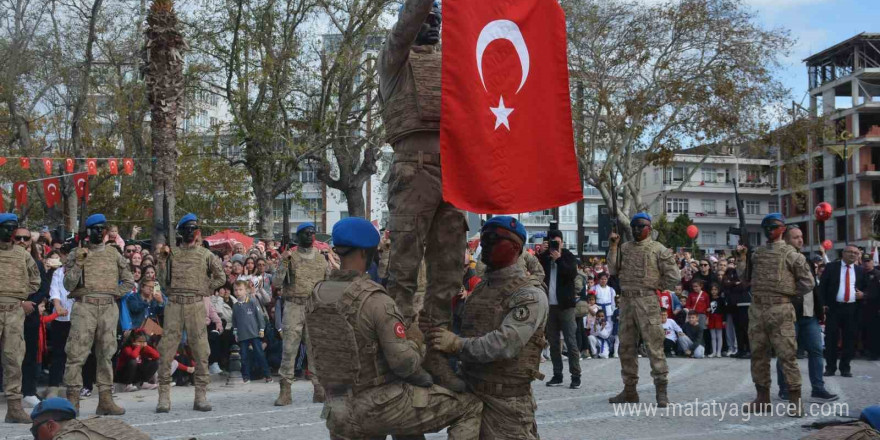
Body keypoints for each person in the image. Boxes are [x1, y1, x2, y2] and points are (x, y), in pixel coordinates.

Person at [306, 217, 481, 439]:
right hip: (379, 406)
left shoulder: (316, 295)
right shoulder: (375, 299)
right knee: (470, 406)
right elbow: (404, 363)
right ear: (365, 252)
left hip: (337, 408)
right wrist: (417, 343)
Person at [379, 0, 468, 392]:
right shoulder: (394, 57)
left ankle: (436, 355)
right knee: (403, 272)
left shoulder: (452, 63)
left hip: (453, 168)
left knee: (447, 272)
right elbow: (408, 20)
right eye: (425, 17)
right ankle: (395, 358)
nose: (431, 23)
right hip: (413, 169)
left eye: (437, 18)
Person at [431, 216, 547, 438]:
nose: (485, 245)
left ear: (516, 247)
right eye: (484, 239)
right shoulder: (483, 288)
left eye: (494, 239)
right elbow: (468, 326)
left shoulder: (529, 295)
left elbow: (505, 344)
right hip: (469, 394)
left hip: (506, 405)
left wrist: (455, 344)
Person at [736, 213, 813, 417]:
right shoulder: (757, 253)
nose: (769, 230)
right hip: (758, 308)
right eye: (766, 227)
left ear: (782, 229)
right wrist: (741, 257)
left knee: (787, 355)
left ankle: (795, 400)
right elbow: (744, 278)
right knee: (758, 355)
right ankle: (762, 398)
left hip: (781, 309)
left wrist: (788, 294)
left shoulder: (792, 254)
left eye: (773, 227)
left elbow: (808, 282)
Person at [62, 213, 135, 415]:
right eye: (96, 229)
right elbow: (67, 284)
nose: (100, 232)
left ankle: (105, 400)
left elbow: (129, 281)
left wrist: (114, 295)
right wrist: (78, 264)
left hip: (108, 308)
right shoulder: (76, 253)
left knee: (106, 354)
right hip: (85, 307)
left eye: (103, 228)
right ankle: (73, 402)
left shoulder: (114, 254)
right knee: (76, 354)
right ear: (88, 232)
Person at [607, 212, 680, 406]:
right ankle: (629, 391)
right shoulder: (624, 248)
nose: (638, 230)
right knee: (626, 348)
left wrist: (657, 285)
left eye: (641, 226)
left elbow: (674, 276)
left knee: (654, 347)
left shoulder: (658, 249)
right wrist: (613, 246)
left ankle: (661, 392)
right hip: (627, 302)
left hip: (647, 301)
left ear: (649, 228)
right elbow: (613, 269)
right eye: (634, 227)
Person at [154, 213, 226, 413]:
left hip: (195, 305)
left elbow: (221, 277)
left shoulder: (206, 255)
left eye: (192, 229)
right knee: (166, 351)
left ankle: (201, 396)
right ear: (180, 233)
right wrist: (162, 259)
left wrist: (205, 288)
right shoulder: (172, 254)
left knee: (201, 351)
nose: (189, 233)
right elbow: (163, 280)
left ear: (197, 233)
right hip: (175, 305)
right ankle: (163, 397)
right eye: (185, 229)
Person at [775, 226, 838, 402]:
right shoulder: (780, 261)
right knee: (787, 354)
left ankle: (818, 388)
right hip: (789, 315)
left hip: (809, 315)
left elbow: (813, 287)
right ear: (786, 240)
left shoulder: (807, 260)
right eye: (795, 237)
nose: (800, 240)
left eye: (801, 237)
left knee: (816, 351)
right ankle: (785, 388)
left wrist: (820, 308)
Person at [273, 222, 329, 405]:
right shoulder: (290, 257)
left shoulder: (321, 259)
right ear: (298, 236)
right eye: (305, 233)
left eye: (312, 233)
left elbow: (327, 284)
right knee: (289, 349)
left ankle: (319, 388)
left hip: (314, 307)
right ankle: (285, 391)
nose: (310, 236)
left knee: (315, 350)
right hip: (294, 306)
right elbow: (276, 282)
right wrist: (284, 261)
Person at [0, 214, 42, 423]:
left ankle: (14, 408)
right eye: (6, 228)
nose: (10, 232)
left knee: (14, 359)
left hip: (14, 312)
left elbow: (36, 280)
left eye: (13, 228)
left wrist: (19, 296)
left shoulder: (23, 255)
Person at [537, 230, 581, 389]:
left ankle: (576, 375)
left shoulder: (568, 256)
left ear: (562, 242)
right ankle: (557, 375)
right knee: (554, 343)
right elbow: (537, 270)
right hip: (550, 306)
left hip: (566, 306)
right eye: (552, 243)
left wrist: (559, 259)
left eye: (557, 242)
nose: (555, 245)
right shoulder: (545, 257)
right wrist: (542, 253)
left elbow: (571, 274)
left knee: (571, 341)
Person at [820, 244, 867, 378]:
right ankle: (830, 368)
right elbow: (822, 287)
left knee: (849, 339)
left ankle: (845, 368)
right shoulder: (831, 267)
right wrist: (822, 304)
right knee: (831, 339)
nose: (853, 255)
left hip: (852, 309)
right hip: (834, 308)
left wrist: (864, 295)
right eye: (850, 252)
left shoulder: (860, 270)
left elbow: (867, 288)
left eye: (855, 253)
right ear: (843, 253)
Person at [29, 397, 150, 440]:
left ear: (51, 426)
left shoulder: (67, 437)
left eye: (35, 430)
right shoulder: (97, 422)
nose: (35, 437)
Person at [231, 280, 272, 384]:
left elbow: (260, 317)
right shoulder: (235, 306)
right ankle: (246, 377)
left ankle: (267, 375)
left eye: (240, 289)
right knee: (244, 357)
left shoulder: (252, 302)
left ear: (246, 291)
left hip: (254, 334)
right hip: (242, 336)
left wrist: (261, 329)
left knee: (260, 355)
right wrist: (235, 332)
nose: (238, 292)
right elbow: (234, 321)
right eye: (236, 290)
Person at [707, 285, 725, 358]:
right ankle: (714, 352)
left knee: (719, 336)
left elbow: (724, 310)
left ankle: (719, 352)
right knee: (713, 336)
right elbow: (708, 308)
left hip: (719, 317)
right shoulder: (709, 299)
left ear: (718, 291)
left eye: (715, 289)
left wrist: (724, 320)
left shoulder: (721, 299)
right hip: (711, 318)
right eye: (712, 289)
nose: (714, 291)